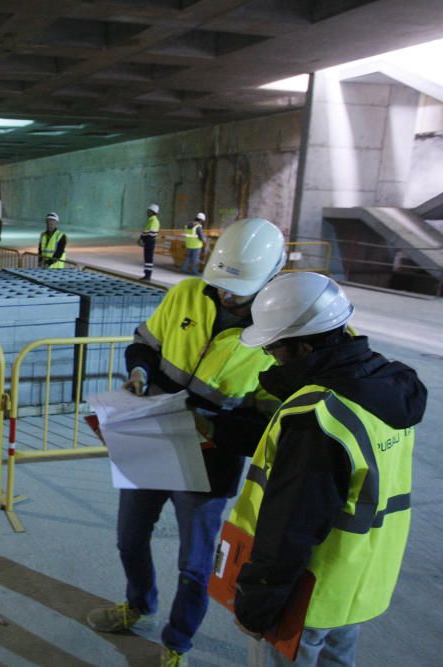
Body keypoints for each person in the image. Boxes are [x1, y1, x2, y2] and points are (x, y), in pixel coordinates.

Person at [86, 217, 288, 667]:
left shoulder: (275, 337)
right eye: (218, 284)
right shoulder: (186, 294)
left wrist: (213, 429)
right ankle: (138, 604)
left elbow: (265, 427)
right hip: (151, 438)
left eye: (237, 289)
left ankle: (177, 644)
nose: (224, 294)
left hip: (208, 467)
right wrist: (139, 370)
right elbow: (145, 345)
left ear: (270, 278)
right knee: (128, 540)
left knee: (195, 566)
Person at [228, 272, 425, 667]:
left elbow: (291, 522)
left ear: (302, 347)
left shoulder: (318, 415)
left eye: (275, 349)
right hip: (358, 576)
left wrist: (257, 600)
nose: (271, 357)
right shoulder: (386, 384)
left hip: (307, 588)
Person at [139, 204, 161, 280]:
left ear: (152, 212)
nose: (147, 212)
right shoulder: (151, 220)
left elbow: (151, 234)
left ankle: (148, 275)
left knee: (149, 259)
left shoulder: (154, 221)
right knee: (147, 258)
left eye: (148, 211)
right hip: (148, 242)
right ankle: (146, 274)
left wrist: (144, 239)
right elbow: (146, 231)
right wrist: (141, 238)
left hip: (150, 242)